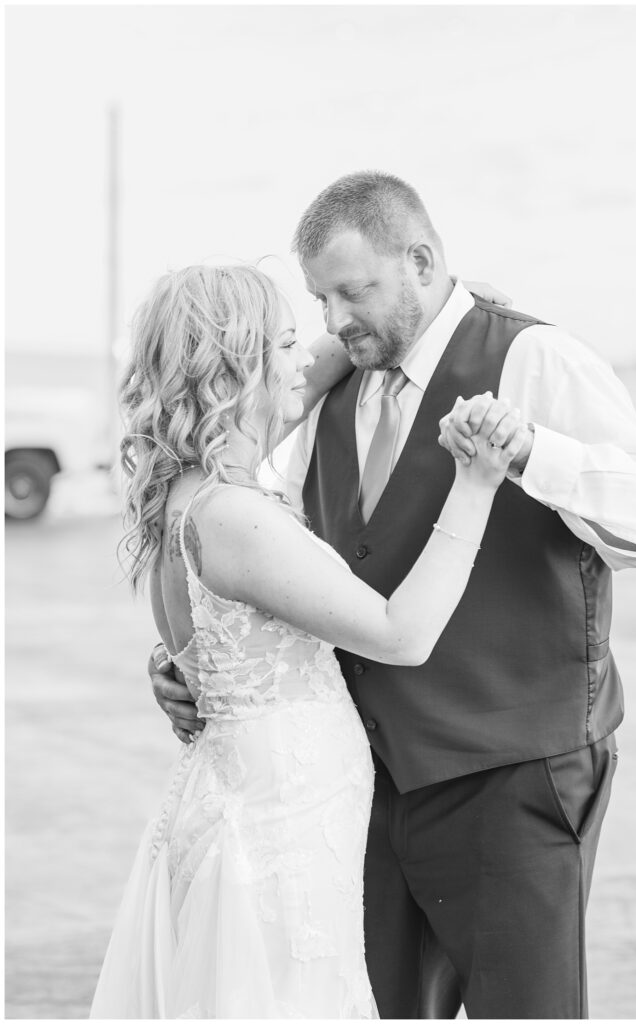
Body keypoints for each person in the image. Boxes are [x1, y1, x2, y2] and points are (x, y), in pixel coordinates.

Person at [150, 172, 636, 1019]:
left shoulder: (532, 357)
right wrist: (198, 656)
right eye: (321, 299)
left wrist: (532, 453)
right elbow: (256, 552)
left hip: (511, 774)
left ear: (423, 261)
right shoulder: (324, 386)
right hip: (357, 788)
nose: (334, 320)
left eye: (353, 292)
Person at [90, 262, 527, 1018]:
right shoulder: (235, 516)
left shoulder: (183, 489)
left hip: (245, 796)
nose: (307, 358)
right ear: (236, 367)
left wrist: (443, 306)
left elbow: (313, 374)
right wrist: (478, 480)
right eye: (286, 343)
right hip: (275, 825)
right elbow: (403, 633)